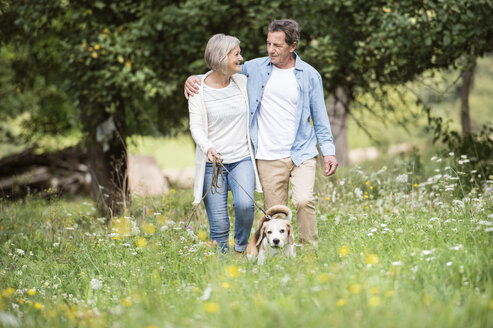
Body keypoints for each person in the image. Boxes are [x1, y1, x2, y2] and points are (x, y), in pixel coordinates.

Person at [185, 20, 338, 248]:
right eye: (268, 43)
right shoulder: (255, 68)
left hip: (301, 152)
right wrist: (193, 78)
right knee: (275, 216)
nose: (271, 50)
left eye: (277, 45)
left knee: (304, 200)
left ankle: (308, 254)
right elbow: (221, 69)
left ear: (292, 46)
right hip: (267, 156)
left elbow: (320, 118)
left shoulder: (310, 75)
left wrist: (328, 152)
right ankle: (279, 260)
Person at [188, 34, 262, 253]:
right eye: (236, 54)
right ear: (221, 58)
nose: (241, 58)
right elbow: (196, 127)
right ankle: (221, 266)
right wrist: (207, 147)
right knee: (219, 222)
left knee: (246, 206)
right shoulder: (198, 90)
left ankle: (240, 249)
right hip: (213, 164)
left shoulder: (242, 81)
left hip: (241, 159)